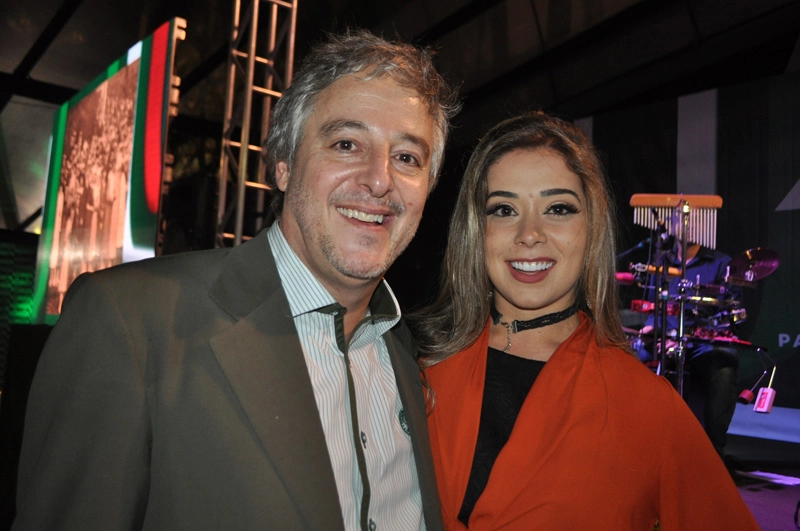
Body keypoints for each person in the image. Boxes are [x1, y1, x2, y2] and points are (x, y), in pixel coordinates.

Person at [13, 30, 459, 530]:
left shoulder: (413, 356)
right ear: (284, 165)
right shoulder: (130, 322)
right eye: (347, 143)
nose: (380, 180)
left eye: (407, 158)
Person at [409, 111, 758, 530]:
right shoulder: (417, 369)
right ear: (475, 229)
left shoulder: (646, 406)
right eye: (503, 209)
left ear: (592, 228)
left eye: (558, 208)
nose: (530, 233)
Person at [636, 239, 743, 459]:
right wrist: (653, 330)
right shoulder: (661, 262)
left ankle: (713, 454)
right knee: (630, 363)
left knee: (723, 370)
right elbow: (654, 308)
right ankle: (637, 448)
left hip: (704, 343)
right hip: (665, 339)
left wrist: (685, 336)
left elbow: (727, 316)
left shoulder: (722, 263)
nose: (687, 223)